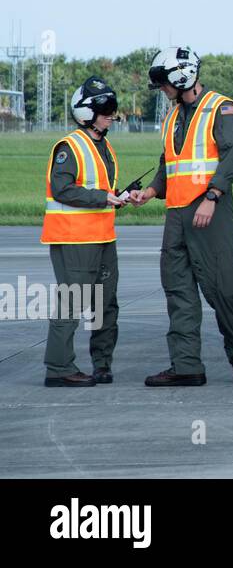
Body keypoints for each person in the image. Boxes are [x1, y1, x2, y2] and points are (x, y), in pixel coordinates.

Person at [129, 46, 233, 386]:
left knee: (222, 289)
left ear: (181, 77)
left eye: (164, 83)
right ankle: (186, 367)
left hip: (209, 212)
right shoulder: (172, 116)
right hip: (176, 216)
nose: (162, 90)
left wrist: (212, 196)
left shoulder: (221, 109)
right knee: (178, 290)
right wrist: (151, 192)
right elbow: (169, 165)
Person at [40, 77, 127, 387]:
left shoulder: (102, 146)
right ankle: (59, 368)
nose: (111, 116)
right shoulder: (70, 146)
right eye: (105, 110)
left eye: (112, 110)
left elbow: (97, 189)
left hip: (103, 237)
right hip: (74, 238)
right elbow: (63, 189)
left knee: (106, 304)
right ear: (86, 113)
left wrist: (117, 196)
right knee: (72, 302)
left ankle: (102, 364)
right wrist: (102, 197)